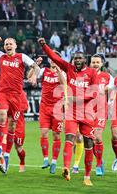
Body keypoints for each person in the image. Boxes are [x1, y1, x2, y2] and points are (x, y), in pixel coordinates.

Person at [38, 37, 99, 186]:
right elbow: (54, 57)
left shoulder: (91, 73)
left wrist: (78, 98)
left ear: (85, 60)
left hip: (87, 113)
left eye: (80, 58)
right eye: (75, 58)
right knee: (69, 138)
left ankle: (86, 176)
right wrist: (44, 46)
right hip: (72, 112)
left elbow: (94, 92)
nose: (77, 60)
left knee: (89, 142)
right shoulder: (69, 68)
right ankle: (66, 167)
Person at [0, 36, 40, 173]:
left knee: (12, 126)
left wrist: (33, 76)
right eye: (6, 44)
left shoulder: (22, 57)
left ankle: (8, 155)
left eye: (10, 44)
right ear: (4, 47)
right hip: (3, 92)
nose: (8, 46)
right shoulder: (1, 56)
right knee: (2, 116)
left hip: (16, 96)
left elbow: (35, 67)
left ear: (15, 46)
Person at [27, 52, 65, 174]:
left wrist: (58, 70)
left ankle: (54, 161)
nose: (53, 60)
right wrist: (34, 66)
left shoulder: (63, 71)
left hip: (57, 108)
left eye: (55, 58)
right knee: (43, 133)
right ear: (49, 60)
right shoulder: (43, 71)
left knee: (56, 136)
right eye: (51, 58)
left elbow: (63, 83)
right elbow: (30, 77)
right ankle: (45, 159)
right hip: (44, 107)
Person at [90, 54, 114, 176]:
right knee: (91, 140)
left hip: (100, 111)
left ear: (101, 64)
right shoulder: (85, 76)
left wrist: (110, 100)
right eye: (93, 62)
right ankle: (100, 159)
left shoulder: (107, 76)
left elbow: (112, 87)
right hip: (87, 112)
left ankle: (98, 164)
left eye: (97, 62)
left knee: (98, 137)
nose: (95, 64)